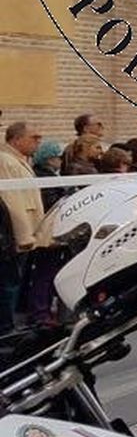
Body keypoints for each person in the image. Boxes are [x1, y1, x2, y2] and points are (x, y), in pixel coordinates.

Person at [1, 122, 44, 332]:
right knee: (10, 283)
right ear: (17, 139)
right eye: (33, 138)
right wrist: (24, 235)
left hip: (28, 231)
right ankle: (7, 327)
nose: (38, 142)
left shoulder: (19, 160)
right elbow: (12, 200)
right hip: (20, 235)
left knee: (17, 280)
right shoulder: (6, 161)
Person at [32, 140, 65, 211]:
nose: (62, 160)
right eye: (60, 157)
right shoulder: (45, 177)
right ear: (50, 160)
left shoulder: (42, 173)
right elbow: (51, 202)